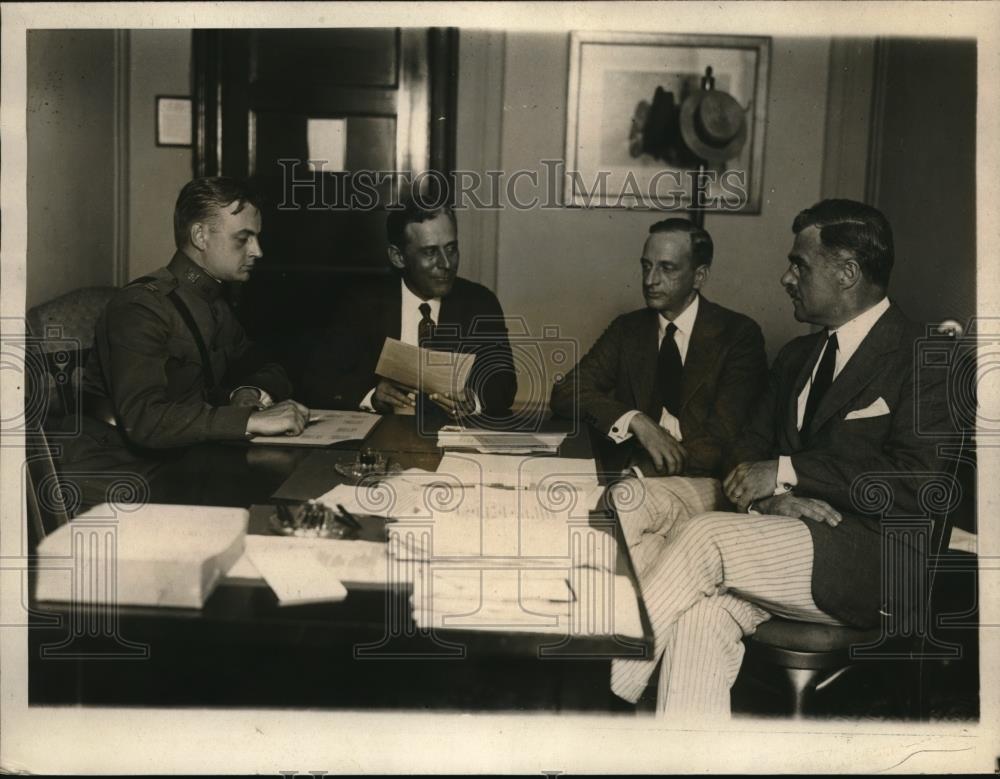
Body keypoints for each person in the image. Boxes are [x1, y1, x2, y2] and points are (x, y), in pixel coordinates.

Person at [608, 199, 950, 717]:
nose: (786, 278)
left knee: (704, 537)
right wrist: (769, 500)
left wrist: (789, 472)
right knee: (699, 615)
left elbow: (919, 482)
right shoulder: (796, 357)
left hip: (869, 562)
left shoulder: (924, 356)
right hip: (779, 541)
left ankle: (609, 686)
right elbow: (745, 448)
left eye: (799, 265)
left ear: (847, 274)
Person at [57, 177, 309, 507]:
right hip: (119, 469)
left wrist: (248, 392)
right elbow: (144, 420)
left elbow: (266, 367)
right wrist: (251, 420)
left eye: (256, 238)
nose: (257, 251)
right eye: (243, 239)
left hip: (183, 457)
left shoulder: (215, 304)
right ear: (200, 236)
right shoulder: (142, 307)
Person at [550, 218, 767, 479]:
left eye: (667, 268)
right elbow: (567, 392)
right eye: (646, 266)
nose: (651, 280)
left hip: (698, 480)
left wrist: (643, 472)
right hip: (624, 473)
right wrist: (635, 420)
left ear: (699, 276)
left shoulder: (738, 334)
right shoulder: (627, 329)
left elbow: (724, 438)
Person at [302, 199, 517, 421]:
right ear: (398, 257)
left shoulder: (480, 303)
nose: (446, 264)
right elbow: (318, 381)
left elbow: (503, 382)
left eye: (451, 249)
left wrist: (472, 399)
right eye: (430, 252)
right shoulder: (362, 304)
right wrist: (372, 396)